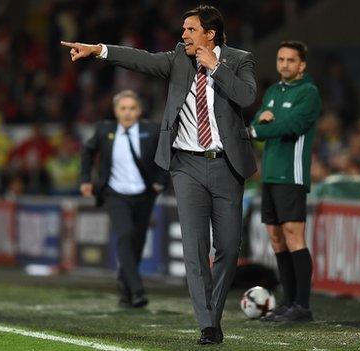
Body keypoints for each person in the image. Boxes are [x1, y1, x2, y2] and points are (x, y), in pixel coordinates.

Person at [63, 5, 257, 345]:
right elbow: (141, 59)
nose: (183, 36)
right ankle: (208, 324)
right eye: (183, 30)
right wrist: (99, 50)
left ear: (210, 34)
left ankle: (213, 310)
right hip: (186, 166)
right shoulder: (178, 59)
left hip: (227, 166)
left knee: (228, 246)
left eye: (190, 30)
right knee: (195, 247)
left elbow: (247, 96)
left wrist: (217, 67)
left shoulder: (240, 60)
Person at [248, 41, 321, 322]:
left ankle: (302, 305)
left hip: (292, 174)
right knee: (276, 238)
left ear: (302, 65)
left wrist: (258, 129)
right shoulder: (273, 91)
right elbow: (261, 119)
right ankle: (288, 302)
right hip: (269, 174)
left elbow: (290, 125)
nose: (285, 64)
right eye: (281, 59)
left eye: (291, 60)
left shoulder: (309, 94)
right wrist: (260, 124)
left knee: (293, 235)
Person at [80, 90, 168, 308]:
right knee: (125, 235)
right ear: (115, 111)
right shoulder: (104, 130)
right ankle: (137, 291)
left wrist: (161, 180)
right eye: (123, 108)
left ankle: (124, 285)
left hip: (144, 194)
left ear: (139, 111)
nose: (127, 113)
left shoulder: (152, 130)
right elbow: (87, 151)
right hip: (115, 194)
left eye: (131, 108)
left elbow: (168, 154)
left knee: (137, 242)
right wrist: (85, 179)